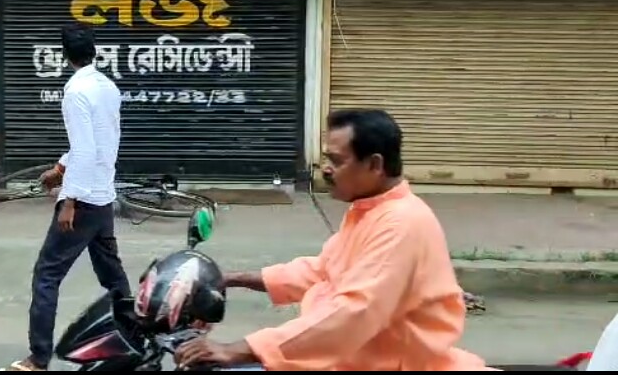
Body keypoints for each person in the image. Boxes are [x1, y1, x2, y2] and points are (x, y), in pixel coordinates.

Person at [175, 109, 493, 371]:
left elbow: (353, 314)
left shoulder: (400, 224)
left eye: (337, 161)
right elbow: (324, 271)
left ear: (375, 165)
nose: (326, 170)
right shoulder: (371, 210)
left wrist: (241, 349)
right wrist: (232, 278)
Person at [2, 23, 131, 372]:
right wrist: (59, 169)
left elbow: (86, 148)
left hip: (84, 201)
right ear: (94, 51)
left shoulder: (75, 91)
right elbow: (100, 143)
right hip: (103, 196)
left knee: (47, 275)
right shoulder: (107, 86)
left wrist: (69, 200)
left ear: (65, 55)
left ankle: (38, 358)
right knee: (112, 275)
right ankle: (136, 333)